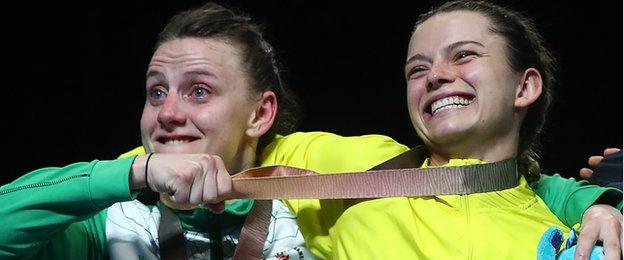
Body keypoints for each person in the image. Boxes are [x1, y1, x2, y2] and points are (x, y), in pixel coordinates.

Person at [1, 1, 621, 260]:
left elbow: (516, 180)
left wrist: (608, 199)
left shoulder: (362, 164)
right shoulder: (116, 201)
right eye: (416, 68)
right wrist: (133, 172)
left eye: (463, 57)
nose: (434, 77)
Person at [0, 3, 313, 259]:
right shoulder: (111, 226)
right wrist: (137, 171)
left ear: (260, 114)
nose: (167, 113)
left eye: (199, 91)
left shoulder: (313, 218)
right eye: (157, 92)